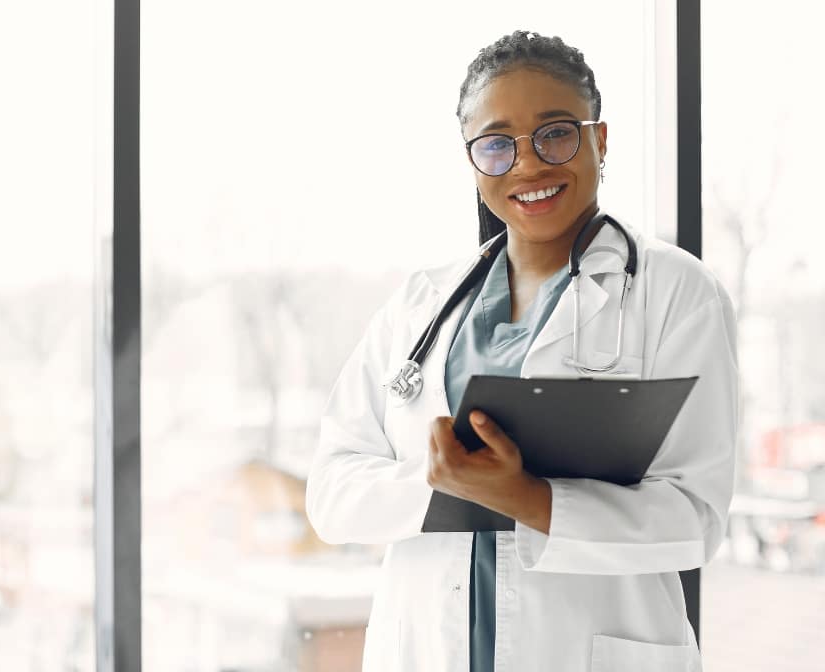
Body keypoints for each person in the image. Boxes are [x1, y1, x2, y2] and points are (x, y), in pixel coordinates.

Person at [305, 30, 738, 672]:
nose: (528, 165)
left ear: (601, 139)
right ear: (474, 160)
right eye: (497, 144)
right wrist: (441, 480)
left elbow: (693, 518)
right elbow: (332, 495)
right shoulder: (422, 301)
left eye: (556, 133)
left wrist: (530, 498)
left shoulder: (676, 292)